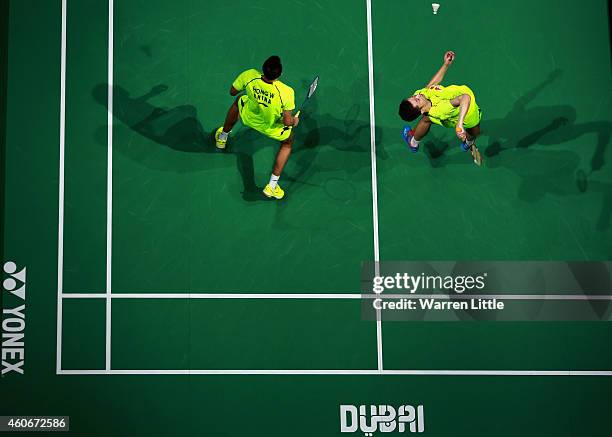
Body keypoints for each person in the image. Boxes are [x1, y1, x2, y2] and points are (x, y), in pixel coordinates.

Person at [215, 55, 299, 199]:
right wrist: (294, 121)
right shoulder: (286, 92)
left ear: (263, 68)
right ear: (280, 74)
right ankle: (272, 186)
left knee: (238, 101)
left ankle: (222, 138)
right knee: (287, 143)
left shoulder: (250, 75)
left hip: (248, 118)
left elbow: (232, 92)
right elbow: (286, 122)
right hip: (273, 128)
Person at [398, 51, 483, 166]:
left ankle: (413, 143)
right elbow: (465, 98)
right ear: (421, 110)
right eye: (416, 100)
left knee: (426, 119)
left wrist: (446, 65)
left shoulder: (422, 96)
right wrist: (460, 123)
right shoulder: (442, 109)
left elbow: (430, 86)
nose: (417, 95)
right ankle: (469, 142)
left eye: (413, 97)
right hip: (468, 112)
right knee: (474, 130)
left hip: (441, 114)